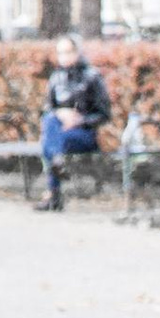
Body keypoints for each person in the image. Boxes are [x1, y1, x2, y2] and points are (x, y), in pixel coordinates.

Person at [37, 39, 111, 209]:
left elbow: (104, 114)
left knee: (52, 143)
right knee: (50, 124)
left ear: (77, 52)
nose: (64, 57)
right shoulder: (56, 77)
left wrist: (80, 120)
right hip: (59, 134)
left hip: (84, 134)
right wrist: (60, 114)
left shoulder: (92, 76)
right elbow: (47, 109)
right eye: (60, 53)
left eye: (68, 52)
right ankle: (58, 164)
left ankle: (53, 194)